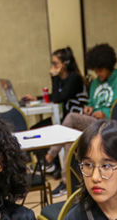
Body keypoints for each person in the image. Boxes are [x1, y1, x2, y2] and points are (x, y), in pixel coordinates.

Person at [48, 44, 117, 197]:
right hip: (95, 123)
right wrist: (89, 108)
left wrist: (105, 113)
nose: (98, 74)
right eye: (95, 70)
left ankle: (53, 155)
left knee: (71, 118)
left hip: (113, 125)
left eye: (100, 70)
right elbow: (92, 103)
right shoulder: (95, 84)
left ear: (108, 66)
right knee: (70, 131)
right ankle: (68, 179)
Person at [23, 47, 88, 178]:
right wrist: (38, 98)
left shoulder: (74, 78)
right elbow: (56, 95)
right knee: (36, 129)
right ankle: (48, 164)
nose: (53, 67)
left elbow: (59, 98)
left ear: (65, 64)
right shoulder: (62, 79)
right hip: (64, 116)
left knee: (49, 129)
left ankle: (50, 163)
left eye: (55, 63)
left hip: (72, 116)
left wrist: (54, 77)